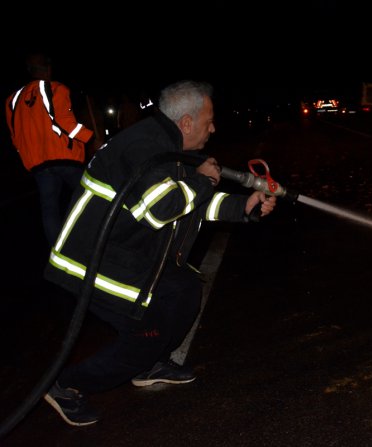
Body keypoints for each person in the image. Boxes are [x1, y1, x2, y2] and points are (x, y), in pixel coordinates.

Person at [42, 80, 277, 426]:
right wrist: (202, 180)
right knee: (146, 332)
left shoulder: (171, 146)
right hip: (93, 261)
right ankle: (66, 385)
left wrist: (245, 206)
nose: (213, 128)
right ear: (186, 122)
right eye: (209, 120)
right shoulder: (143, 147)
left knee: (184, 289)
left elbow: (190, 204)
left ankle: (151, 364)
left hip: (130, 252)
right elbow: (161, 208)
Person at [5, 53, 95, 248]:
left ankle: (58, 250)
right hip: (65, 157)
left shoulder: (12, 100)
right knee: (90, 197)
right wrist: (91, 138)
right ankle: (96, 239)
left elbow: (15, 136)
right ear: (48, 68)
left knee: (49, 207)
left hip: (38, 163)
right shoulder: (56, 88)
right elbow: (66, 123)